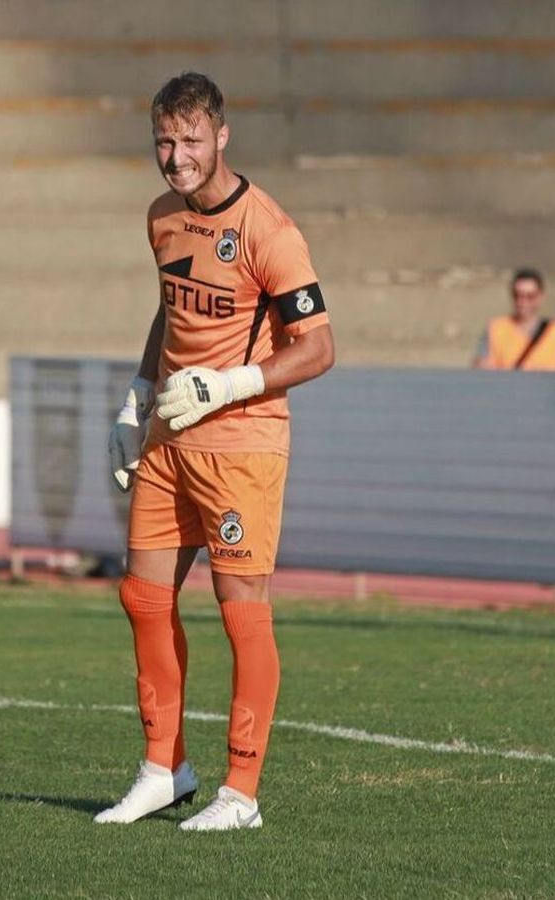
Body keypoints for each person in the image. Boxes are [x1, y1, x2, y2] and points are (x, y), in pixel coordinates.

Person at [98, 72, 335, 832]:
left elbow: (319, 348)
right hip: (170, 439)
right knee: (143, 598)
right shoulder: (162, 217)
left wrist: (229, 384)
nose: (177, 157)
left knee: (242, 614)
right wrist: (138, 395)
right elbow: (171, 307)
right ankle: (164, 770)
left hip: (241, 447)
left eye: (191, 140)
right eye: (164, 142)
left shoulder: (269, 230)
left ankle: (241, 794)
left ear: (222, 136)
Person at [472, 268, 555, 372]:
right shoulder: (495, 329)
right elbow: (481, 370)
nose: (523, 302)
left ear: (541, 297)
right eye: (517, 295)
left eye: (530, 296)